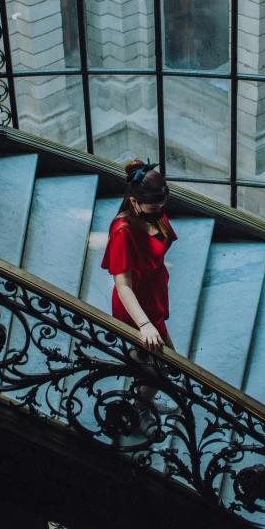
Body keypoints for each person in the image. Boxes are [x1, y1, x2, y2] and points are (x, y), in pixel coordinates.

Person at [101, 158, 178, 435]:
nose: (159, 212)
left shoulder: (155, 213)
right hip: (136, 305)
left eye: (161, 206)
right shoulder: (123, 231)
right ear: (134, 202)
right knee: (163, 362)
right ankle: (141, 406)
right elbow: (123, 285)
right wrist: (144, 324)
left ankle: (143, 394)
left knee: (162, 360)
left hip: (153, 293)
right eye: (154, 208)